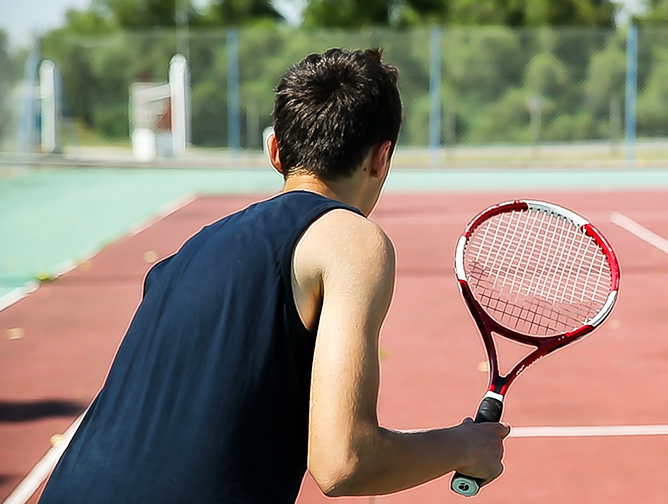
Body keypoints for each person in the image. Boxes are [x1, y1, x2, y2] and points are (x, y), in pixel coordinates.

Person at [39, 48, 509, 504]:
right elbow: (344, 462)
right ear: (381, 158)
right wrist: (465, 445)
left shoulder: (189, 251)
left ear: (275, 150)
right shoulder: (351, 239)